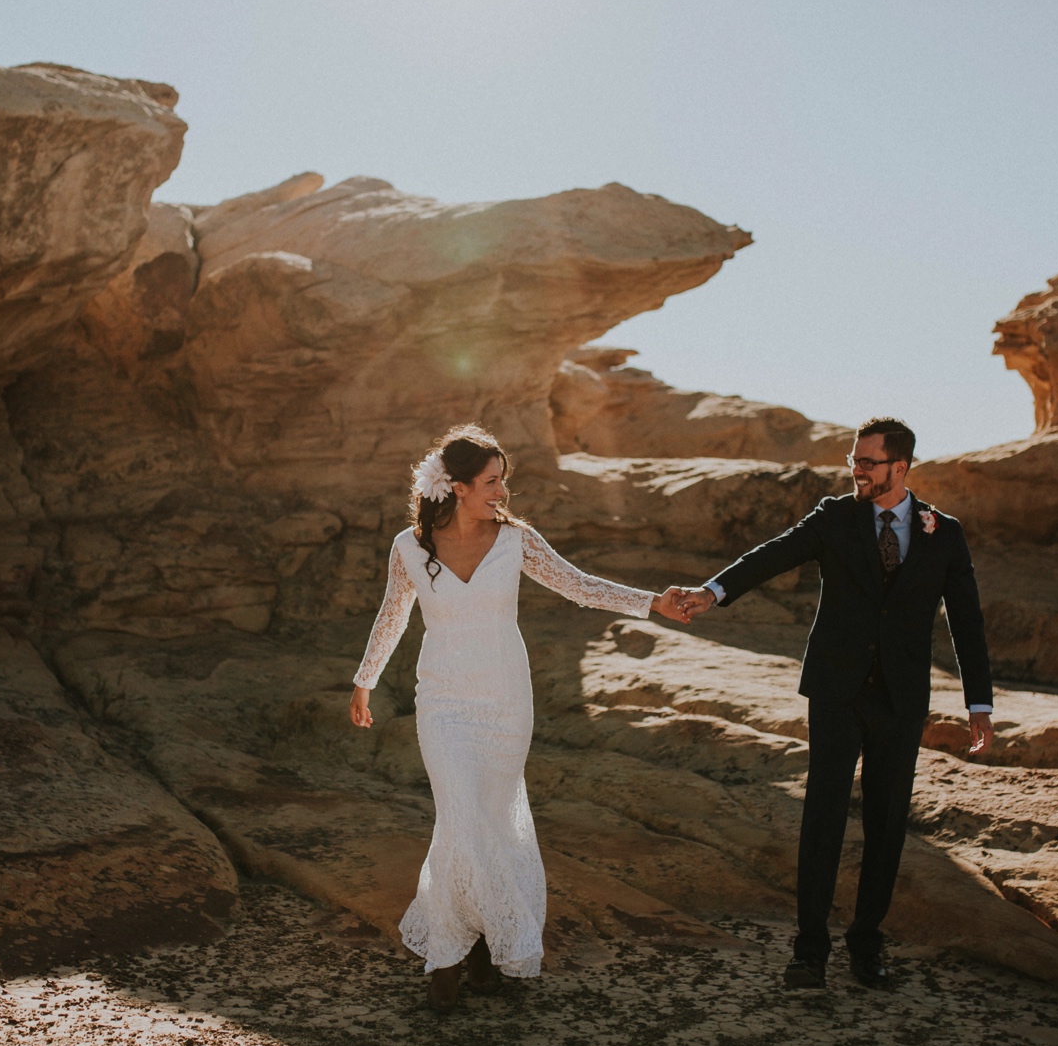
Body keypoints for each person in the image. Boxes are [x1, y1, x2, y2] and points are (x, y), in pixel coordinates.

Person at [349, 424, 695, 1010]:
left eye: (503, 481)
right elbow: (392, 616)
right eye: (491, 482)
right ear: (456, 488)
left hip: (505, 699)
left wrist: (651, 602)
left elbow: (578, 586)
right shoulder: (409, 547)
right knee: (461, 816)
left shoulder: (517, 541)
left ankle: (476, 950)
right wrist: (365, 681)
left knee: (485, 821)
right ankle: (448, 960)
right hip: (442, 700)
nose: (502, 492)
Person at [668, 416, 994, 989]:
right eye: (854, 460)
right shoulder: (835, 517)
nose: (856, 471)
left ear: (901, 467)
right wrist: (711, 592)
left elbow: (965, 617)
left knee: (888, 823)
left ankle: (867, 948)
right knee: (823, 818)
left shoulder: (943, 531)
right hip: (837, 691)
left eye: (867, 462)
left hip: (901, 697)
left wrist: (979, 702)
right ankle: (809, 952)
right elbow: (773, 555)